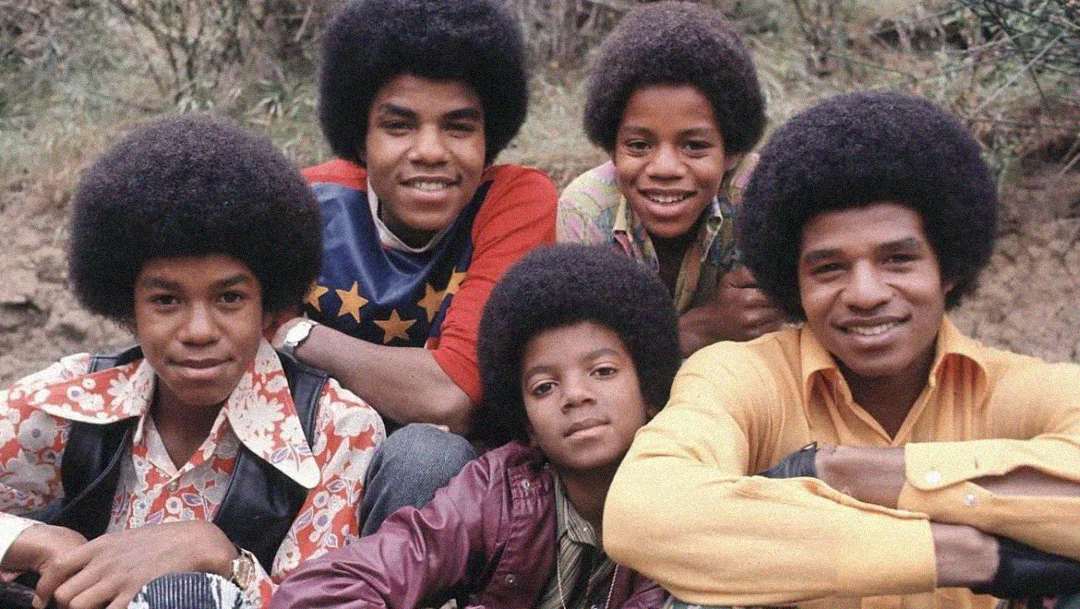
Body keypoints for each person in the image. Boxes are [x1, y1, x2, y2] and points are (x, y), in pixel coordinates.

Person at [603, 92, 1080, 609]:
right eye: (829, 268)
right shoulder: (742, 377)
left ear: (950, 269)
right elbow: (642, 511)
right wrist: (957, 554)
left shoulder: (1017, 390)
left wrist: (842, 472)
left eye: (898, 260)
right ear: (794, 283)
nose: (865, 293)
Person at [0, 115, 385, 609]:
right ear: (128, 308)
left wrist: (220, 558)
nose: (199, 331)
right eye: (166, 301)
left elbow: (318, 602)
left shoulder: (335, 430)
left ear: (268, 306)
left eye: (229, 299)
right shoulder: (75, 398)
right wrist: (39, 541)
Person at [270, 0, 557, 533]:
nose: (430, 151)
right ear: (360, 139)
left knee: (428, 453)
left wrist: (295, 333)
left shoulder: (516, 200)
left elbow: (448, 398)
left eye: (458, 127)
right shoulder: (303, 203)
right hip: (311, 449)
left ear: (488, 140)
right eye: (399, 126)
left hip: (434, 482)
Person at [269, 244, 680, 609]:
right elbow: (324, 587)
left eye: (603, 371)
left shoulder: (687, 494)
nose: (575, 395)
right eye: (544, 387)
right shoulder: (500, 491)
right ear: (528, 425)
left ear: (649, 393)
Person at [558, 1, 785, 357]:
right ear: (612, 147)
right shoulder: (586, 209)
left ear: (732, 152)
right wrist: (705, 326)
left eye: (694, 146)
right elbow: (592, 356)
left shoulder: (758, 196)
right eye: (639, 145)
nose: (664, 167)